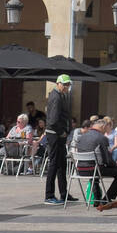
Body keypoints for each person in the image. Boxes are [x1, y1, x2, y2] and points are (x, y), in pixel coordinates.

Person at [75, 117, 117, 204]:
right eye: (105, 129)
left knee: (94, 168)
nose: (105, 132)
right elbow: (107, 160)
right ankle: (107, 198)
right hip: (94, 169)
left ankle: (96, 199)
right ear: (103, 127)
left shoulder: (81, 137)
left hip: (80, 169)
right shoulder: (101, 138)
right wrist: (116, 166)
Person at [42, 75, 73, 205]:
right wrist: (61, 132)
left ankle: (64, 193)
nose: (67, 87)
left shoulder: (62, 95)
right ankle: (49, 195)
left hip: (59, 134)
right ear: (58, 83)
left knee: (62, 164)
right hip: (55, 134)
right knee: (54, 164)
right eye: (64, 84)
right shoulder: (55, 97)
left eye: (68, 84)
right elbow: (53, 120)